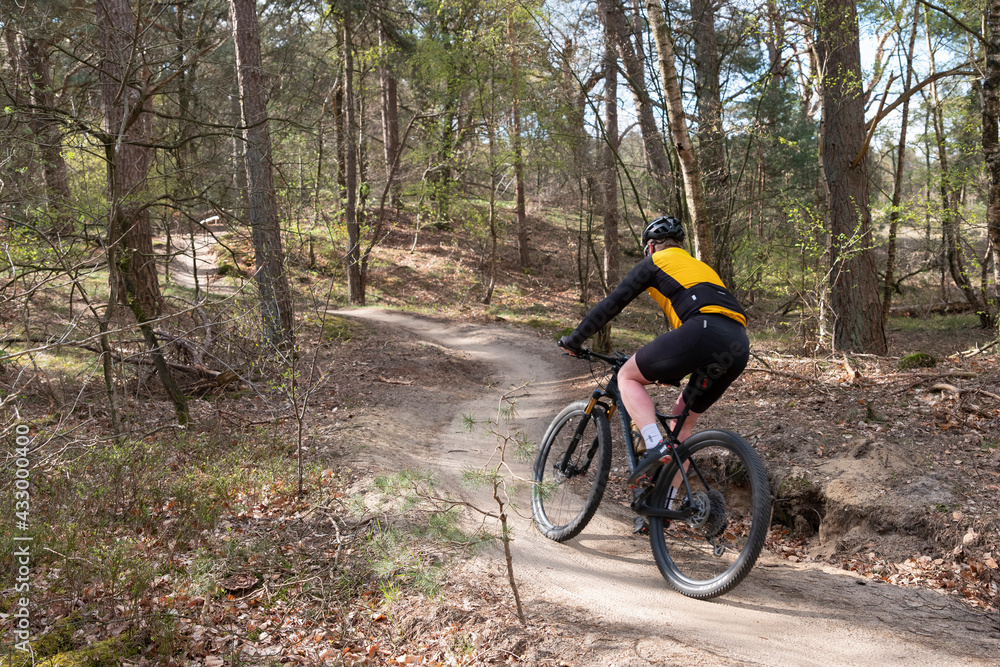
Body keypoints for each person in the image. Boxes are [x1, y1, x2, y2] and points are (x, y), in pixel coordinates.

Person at [559, 216, 750, 491]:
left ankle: (653, 446)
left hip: (701, 330)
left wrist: (575, 340)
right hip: (738, 343)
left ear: (651, 247)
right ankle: (667, 506)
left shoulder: (655, 262)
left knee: (627, 377)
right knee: (679, 429)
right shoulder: (701, 267)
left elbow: (611, 305)